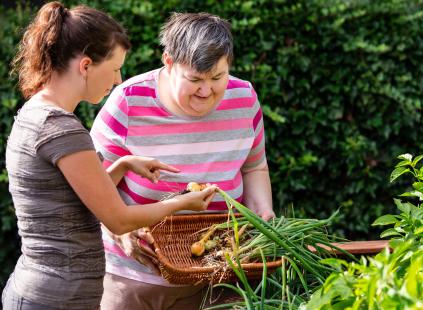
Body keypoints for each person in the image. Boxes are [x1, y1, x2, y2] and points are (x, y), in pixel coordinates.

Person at [2, 3, 216, 310]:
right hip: (55, 298)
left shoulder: (36, 112)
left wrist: (124, 164)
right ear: (86, 65)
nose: (117, 80)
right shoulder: (60, 127)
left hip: (45, 292)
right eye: (115, 69)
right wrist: (183, 203)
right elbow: (117, 218)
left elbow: (78, 198)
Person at [90, 12, 275, 310]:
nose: (206, 91)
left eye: (217, 78)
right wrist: (120, 230)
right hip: (135, 278)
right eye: (195, 79)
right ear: (169, 62)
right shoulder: (128, 101)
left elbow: (254, 167)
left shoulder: (244, 99)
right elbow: (91, 186)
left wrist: (263, 209)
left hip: (220, 273)